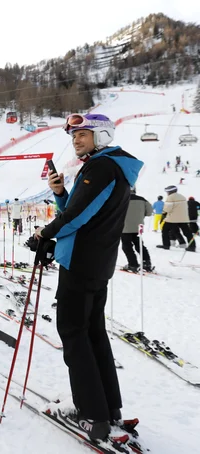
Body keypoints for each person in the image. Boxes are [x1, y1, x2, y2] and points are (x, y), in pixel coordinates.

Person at [35, 113, 143, 441]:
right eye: (74, 135)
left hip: (80, 264)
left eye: (84, 133)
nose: (77, 139)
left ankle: (91, 415)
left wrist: (44, 233)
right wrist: (60, 193)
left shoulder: (101, 167)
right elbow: (84, 211)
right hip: (96, 263)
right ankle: (108, 408)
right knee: (92, 333)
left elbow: (77, 217)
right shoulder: (112, 168)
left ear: (104, 135)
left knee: (73, 333)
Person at [120, 188, 153, 272]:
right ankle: (146, 263)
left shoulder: (121, 199)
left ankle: (133, 264)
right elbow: (149, 212)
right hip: (138, 227)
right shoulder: (143, 200)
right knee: (140, 245)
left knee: (127, 246)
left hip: (125, 227)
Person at [158, 185, 195, 251]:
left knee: (165, 230)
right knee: (187, 232)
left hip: (173, 218)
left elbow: (167, 209)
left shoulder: (170, 197)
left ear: (170, 191)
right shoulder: (182, 196)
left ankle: (166, 245)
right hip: (183, 218)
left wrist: (163, 213)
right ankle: (192, 246)